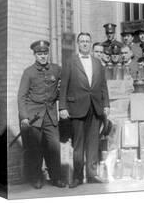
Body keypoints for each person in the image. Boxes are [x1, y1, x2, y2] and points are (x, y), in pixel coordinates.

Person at [59, 32, 110, 188]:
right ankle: (78, 177)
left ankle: (92, 174)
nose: (85, 44)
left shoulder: (97, 63)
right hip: (76, 108)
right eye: (82, 41)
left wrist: (106, 104)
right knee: (79, 145)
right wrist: (62, 107)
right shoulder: (70, 62)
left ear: (91, 43)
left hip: (95, 107)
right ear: (78, 44)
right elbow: (64, 86)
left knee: (93, 143)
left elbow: (103, 86)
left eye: (88, 41)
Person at [18, 40, 66, 189]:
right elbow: (21, 96)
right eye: (40, 54)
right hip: (34, 117)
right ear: (35, 55)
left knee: (54, 147)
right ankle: (37, 178)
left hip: (51, 116)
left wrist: (62, 101)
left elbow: (65, 83)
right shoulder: (29, 72)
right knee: (35, 149)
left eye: (45, 53)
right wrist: (24, 116)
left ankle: (56, 178)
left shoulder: (56, 70)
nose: (43, 56)